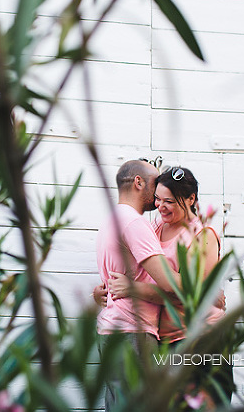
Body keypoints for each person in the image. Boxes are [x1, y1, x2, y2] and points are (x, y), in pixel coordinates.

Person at [104, 166, 232, 408]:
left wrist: (132, 289)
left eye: (170, 202)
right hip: (166, 343)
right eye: (158, 200)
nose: (161, 207)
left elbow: (190, 296)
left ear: (191, 199)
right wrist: (108, 287)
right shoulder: (154, 229)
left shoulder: (203, 235)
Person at [95, 159, 183, 411]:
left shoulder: (111, 219)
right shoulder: (135, 223)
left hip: (112, 330)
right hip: (132, 331)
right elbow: (169, 282)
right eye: (156, 183)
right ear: (138, 182)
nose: (159, 193)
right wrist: (206, 287)